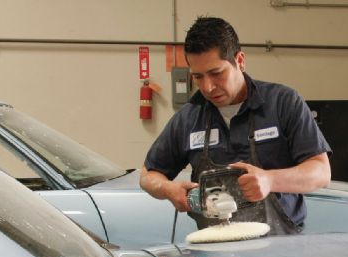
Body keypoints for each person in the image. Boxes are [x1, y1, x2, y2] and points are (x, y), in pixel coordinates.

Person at [140, 16, 331, 234]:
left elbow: (321, 172)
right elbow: (148, 176)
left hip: (281, 253)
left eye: (216, 73)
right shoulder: (189, 118)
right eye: (198, 77)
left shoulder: (283, 103)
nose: (208, 87)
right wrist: (168, 189)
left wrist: (270, 180)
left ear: (239, 61)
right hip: (214, 255)